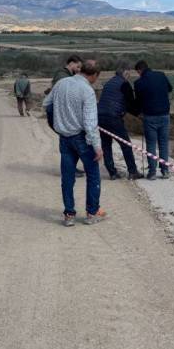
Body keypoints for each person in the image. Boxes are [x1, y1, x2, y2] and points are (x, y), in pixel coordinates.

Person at [43, 59, 106, 227]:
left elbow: (46, 104)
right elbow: (90, 123)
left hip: (64, 138)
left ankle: (69, 214)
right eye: (96, 78)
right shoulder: (87, 91)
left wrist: (56, 124)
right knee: (93, 176)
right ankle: (92, 213)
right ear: (94, 75)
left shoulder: (61, 83)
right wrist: (98, 147)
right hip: (82, 139)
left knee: (68, 178)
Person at [98, 62, 142, 180]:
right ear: (125, 72)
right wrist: (139, 114)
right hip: (113, 117)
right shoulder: (124, 84)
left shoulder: (109, 83)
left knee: (106, 145)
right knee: (126, 144)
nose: (129, 76)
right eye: (129, 73)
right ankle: (133, 172)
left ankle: (112, 173)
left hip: (100, 117)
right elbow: (130, 104)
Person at [133, 60, 173, 180]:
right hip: (165, 115)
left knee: (151, 144)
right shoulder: (161, 75)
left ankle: (152, 172)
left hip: (149, 116)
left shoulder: (138, 83)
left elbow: (138, 101)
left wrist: (138, 112)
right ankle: (165, 171)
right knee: (163, 143)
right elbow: (170, 89)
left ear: (139, 70)